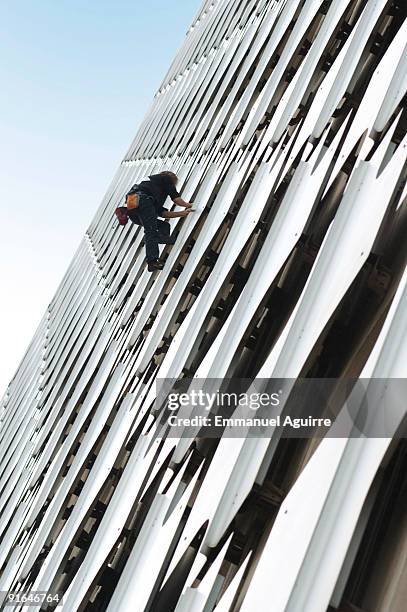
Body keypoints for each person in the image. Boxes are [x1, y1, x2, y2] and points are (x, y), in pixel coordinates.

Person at [126, 171, 193, 271]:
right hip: (142, 200)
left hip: (131, 206)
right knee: (151, 231)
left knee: (163, 226)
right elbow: (176, 199)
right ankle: (152, 261)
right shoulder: (166, 178)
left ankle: (161, 239)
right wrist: (191, 205)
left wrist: (181, 214)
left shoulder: (153, 189)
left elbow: (163, 214)